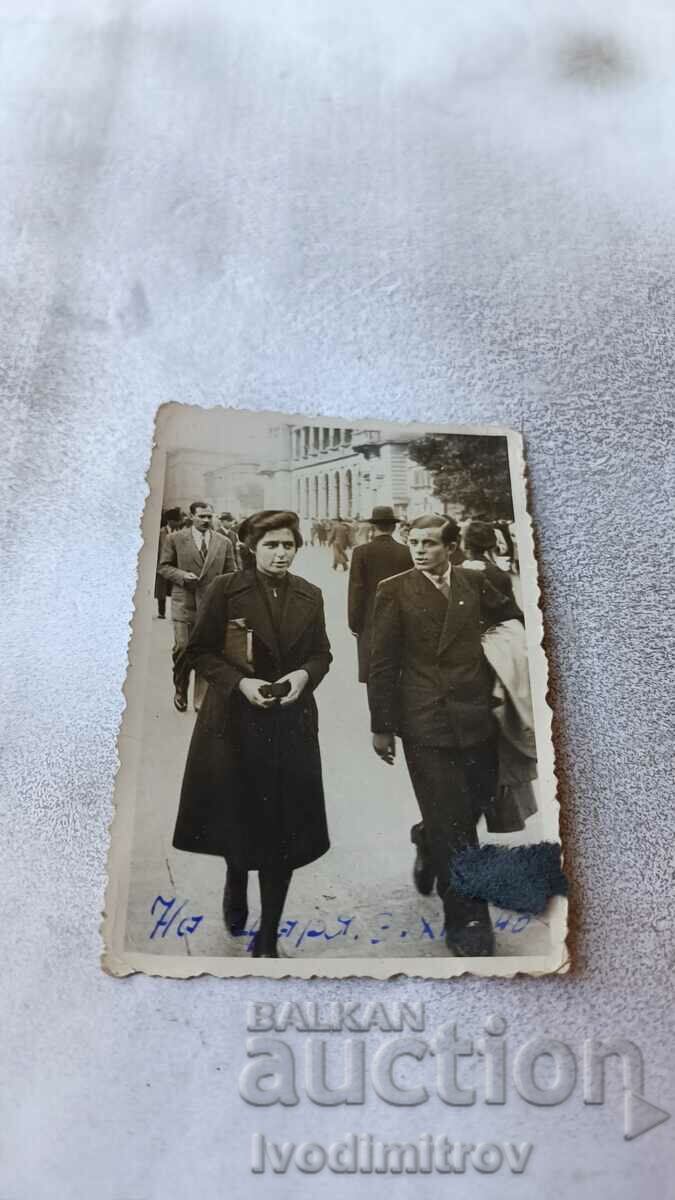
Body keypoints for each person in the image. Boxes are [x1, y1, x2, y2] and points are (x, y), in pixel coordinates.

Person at [172, 510, 332, 958]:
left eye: (288, 545)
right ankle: (235, 876)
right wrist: (241, 683)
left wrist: (303, 676)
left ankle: (269, 936)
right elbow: (199, 651)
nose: (281, 554)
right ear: (251, 548)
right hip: (234, 726)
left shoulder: (310, 594)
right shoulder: (226, 589)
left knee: (282, 830)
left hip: (289, 724)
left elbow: (322, 653)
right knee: (241, 819)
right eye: (271, 546)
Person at [367, 514, 521, 957]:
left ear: (451, 547)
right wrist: (381, 726)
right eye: (414, 542)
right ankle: (468, 920)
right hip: (425, 721)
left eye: (430, 543)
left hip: (476, 717)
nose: (419, 550)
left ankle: (425, 837)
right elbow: (382, 663)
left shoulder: (474, 585)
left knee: (473, 805)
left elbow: (514, 621)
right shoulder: (393, 590)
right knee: (454, 822)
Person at [158, 500, 237, 712]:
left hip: (212, 606)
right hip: (184, 603)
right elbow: (164, 567)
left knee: (207, 651)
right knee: (183, 647)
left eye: (209, 516)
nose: (206, 520)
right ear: (192, 516)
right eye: (201, 516)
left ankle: (200, 698)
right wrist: (183, 576)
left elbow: (232, 572)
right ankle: (181, 687)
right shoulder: (175, 539)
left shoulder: (224, 542)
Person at [348, 505, 412, 683]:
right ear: (393, 527)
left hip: (370, 618)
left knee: (373, 672)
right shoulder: (406, 552)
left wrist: (354, 623)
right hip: (399, 618)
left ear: (373, 527)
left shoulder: (361, 552)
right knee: (397, 671)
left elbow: (356, 589)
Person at [155, 508, 180, 618]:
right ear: (170, 521)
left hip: (175, 566)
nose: (178, 523)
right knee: (162, 591)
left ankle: (175, 613)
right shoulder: (160, 533)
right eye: (176, 520)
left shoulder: (179, 533)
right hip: (163, 564)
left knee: (176, 590)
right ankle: (161, 612)